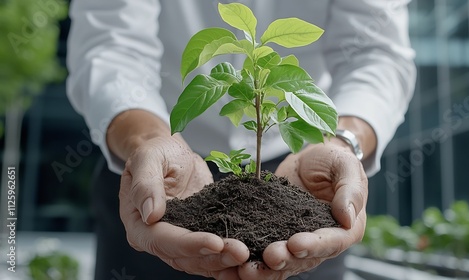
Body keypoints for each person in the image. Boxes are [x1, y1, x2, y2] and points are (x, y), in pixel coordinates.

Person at [66, 0, 416, 279]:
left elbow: (377, 53)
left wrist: (342, 142)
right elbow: (111, 45)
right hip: (158, 172)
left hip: (307, 176)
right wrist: (148, 139)